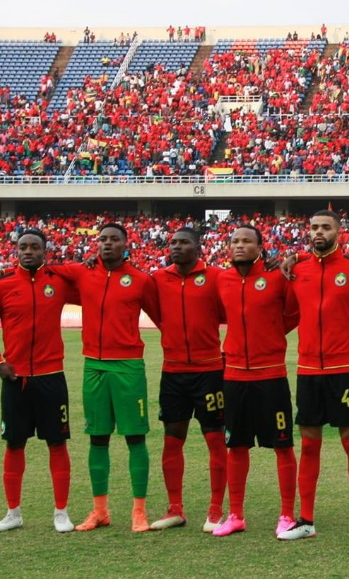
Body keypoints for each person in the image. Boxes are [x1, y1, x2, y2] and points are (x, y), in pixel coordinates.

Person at [277, 211, 349, 542]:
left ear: (339, 231)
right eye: (314, 226)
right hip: (308, 370)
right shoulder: (297, 270)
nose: (318, 231)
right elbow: (287, 316)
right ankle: (306, 519)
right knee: (309, 445)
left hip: (344, 370)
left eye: (325, 227)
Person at [51, 223, 161, 532]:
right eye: (103, 239)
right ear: (96, 244)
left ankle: (139, 511)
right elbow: (49, 270)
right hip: (93, 366)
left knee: (134, 437)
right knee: (97, 437)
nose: (107, 243)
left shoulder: (140, 280)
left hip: (128, 367)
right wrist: (86, 260)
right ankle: (100, 510)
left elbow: (163, 318)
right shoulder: (83, 273)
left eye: (114, 239)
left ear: (126, 243)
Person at [212, 226, 299, 538]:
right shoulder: (221, 279)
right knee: (236, 445)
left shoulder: (278, 276)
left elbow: (294, 313)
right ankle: (235, 515)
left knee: (282, 445)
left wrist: (272, 337)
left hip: (271, 375)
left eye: (247, 241)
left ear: (261, 247)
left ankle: (287, 514)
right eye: (235, 241)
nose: (240, 246)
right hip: (234, 375)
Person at [148, 228, 227, 533]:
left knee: (215, 438)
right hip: (173, 372)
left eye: (184, 243)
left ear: (198, 248)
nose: (177, 247)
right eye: (173, 243)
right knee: (172, 439)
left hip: (209, 371)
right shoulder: (158, 279)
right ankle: (175, 509)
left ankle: (216, 509)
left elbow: (232, 311)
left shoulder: (217, 276)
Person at [0, 230, 78, 533]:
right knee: (14, 443)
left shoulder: (57, 282)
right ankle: (13, 512)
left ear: (45, 251)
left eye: (35, 247)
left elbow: (92, 287)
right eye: (23, 247)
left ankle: (61, 512)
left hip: (51, 378)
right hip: (15, 379)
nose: (28, 251)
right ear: (16, 251)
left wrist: (64, 267)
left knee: (57, 443)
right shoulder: (5, 284)